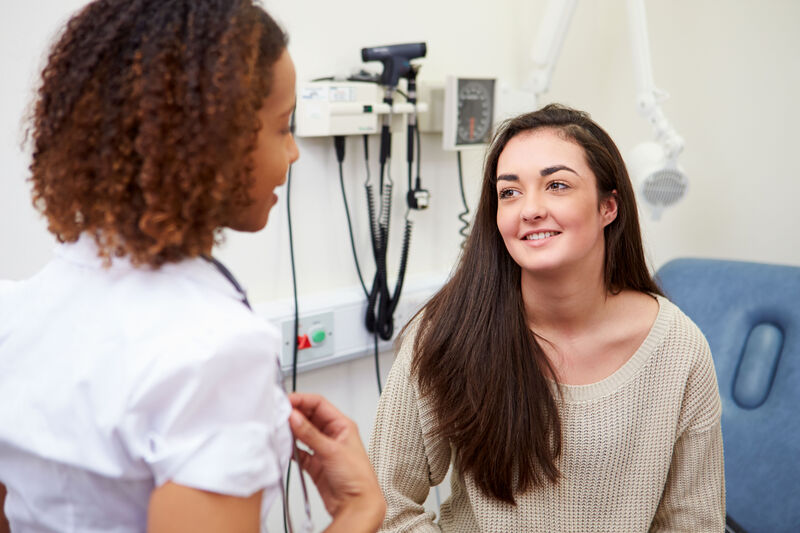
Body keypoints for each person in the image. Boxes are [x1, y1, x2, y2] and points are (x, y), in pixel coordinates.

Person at [0, 1, 384, 531]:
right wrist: (360, 510)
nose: (294, 153)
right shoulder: (214, 349)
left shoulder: (16, 311)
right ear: (213, 140)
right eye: (282, 127)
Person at [369, 104, 725, 532]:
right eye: (510, 192)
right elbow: (385, 506)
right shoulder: (450, 331)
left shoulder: (678, 348)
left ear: (608, 207)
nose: (530, 209)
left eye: (556, 185)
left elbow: (692, 524)